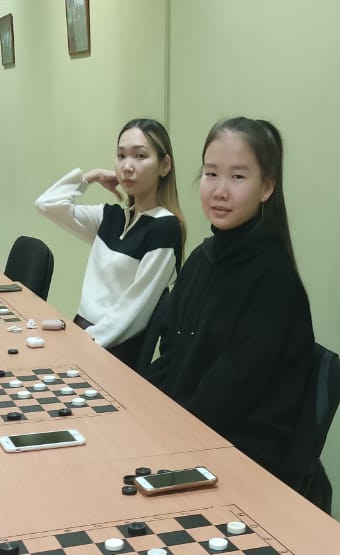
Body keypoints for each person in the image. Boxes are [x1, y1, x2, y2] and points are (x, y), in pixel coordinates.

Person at [146, 117, 314, 485]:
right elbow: (172, 353)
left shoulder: (272, 277)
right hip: (188, 431)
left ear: (267, 187)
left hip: (240, 457)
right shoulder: (202, 259)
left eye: (238, 177)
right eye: (211, 174)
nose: (220, 190)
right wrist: (143, 407)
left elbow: (234, 389)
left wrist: (170, 430)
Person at [35, 118, 185, 366]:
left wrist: (81, 344)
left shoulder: (165, 228)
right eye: (121, 156)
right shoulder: (112, 217)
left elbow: (133, 311)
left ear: (164, 165)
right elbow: (47, 204)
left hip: (113, 350)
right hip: (84, 332)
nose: (127, 166)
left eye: (140, 156)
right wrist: (91, 177)